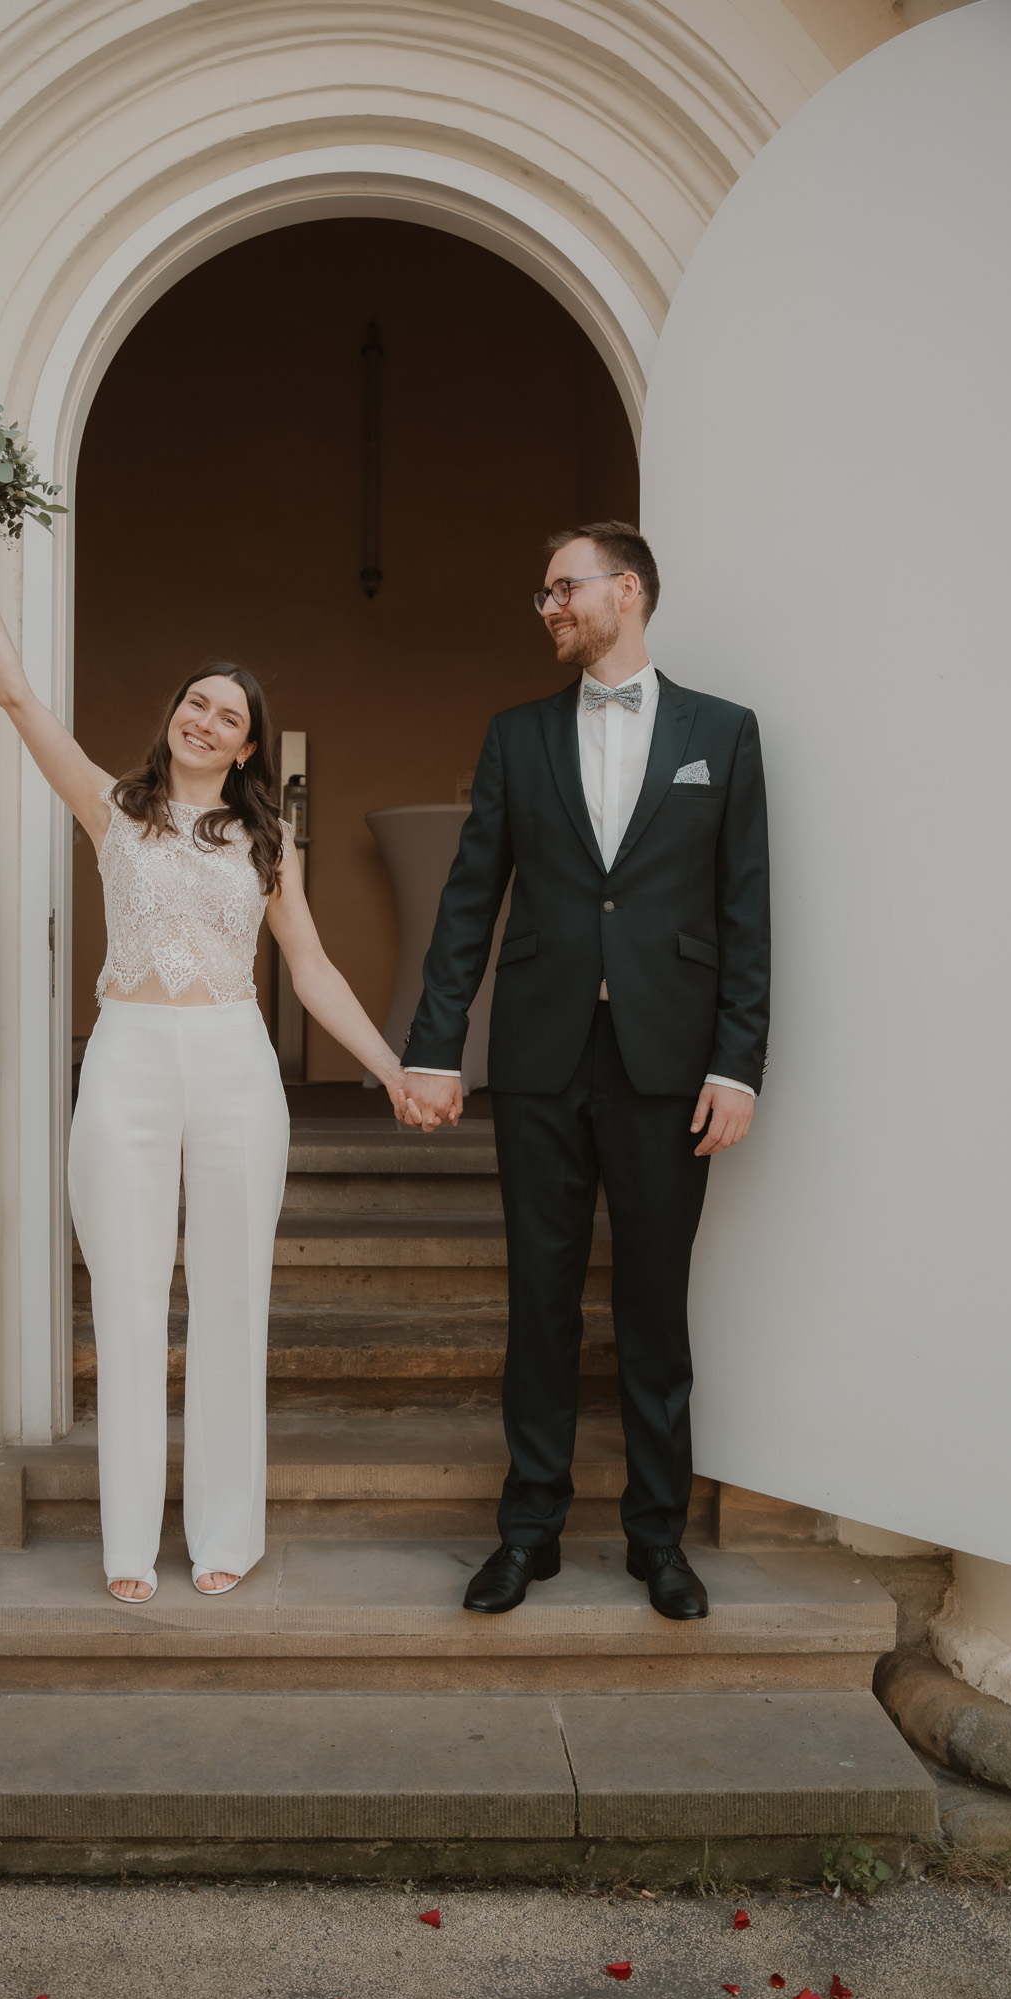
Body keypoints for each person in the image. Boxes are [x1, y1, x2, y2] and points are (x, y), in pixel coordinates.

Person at [0, 498, 412, 1604]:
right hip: (130, 1059)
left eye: (227, 713)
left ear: (250, 744)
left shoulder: (266, 838)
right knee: (132, 1296)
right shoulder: (114, 809)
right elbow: (16, 695)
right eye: (195, 700)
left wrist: (388, 1068)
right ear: (174, 715)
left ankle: (224, 1533)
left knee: (235, 1294)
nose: (204, 718)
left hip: (237, 1063)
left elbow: (315, 970)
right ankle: (126, 1545)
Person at [399, 521, 770, 1620]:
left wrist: (738, 1063)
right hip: (542, 1059)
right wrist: (433, 1043)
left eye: (564, 588)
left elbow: (746, 910)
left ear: (629, 590)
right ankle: (530, 1530)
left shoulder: (725, 733)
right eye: (545, 593)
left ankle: (659, 1538)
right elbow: (470, 901)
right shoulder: (517, 738)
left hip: (670, 1063)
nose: (550, 605)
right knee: (540, 1302)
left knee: (657, 1308)